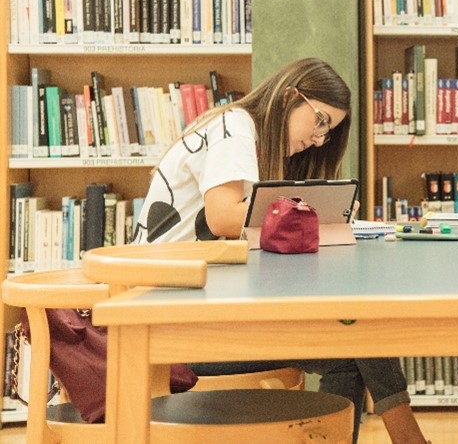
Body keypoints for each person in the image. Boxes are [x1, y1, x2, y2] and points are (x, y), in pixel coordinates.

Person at [133, 57, 427, 444]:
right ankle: (410, 439)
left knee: (353, 343)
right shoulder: (235, 127)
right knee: (355, 340)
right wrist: (314, 217)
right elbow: (221, 218)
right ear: (291, 96)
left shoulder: (250, 145)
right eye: (321, 121)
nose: (320, 138)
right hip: (173, 333)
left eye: (329, 131)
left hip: (194, 316)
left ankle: (407, 439)